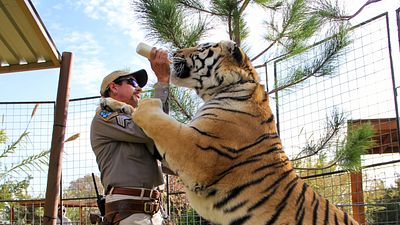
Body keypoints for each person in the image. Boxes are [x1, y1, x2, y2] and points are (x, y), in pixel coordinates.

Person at [90, 47, 170, 225]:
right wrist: (162, 82)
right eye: (132, 82)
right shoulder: (105, 117)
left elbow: (163, 140)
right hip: (129, 211)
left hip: (152, 211)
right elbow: (152, 128)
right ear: (113, 87)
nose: (139, 88)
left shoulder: (134, 120)